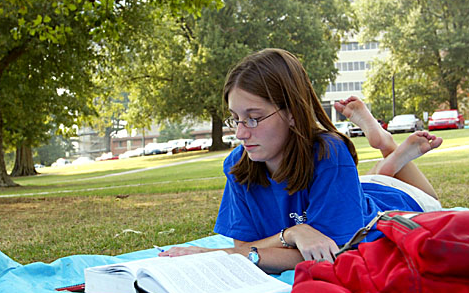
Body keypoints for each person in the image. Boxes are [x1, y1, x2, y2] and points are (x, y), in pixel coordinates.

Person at [160, 48, 442, 274]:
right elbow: (245, 246)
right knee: (367, 181)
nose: (241, 133)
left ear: (292, 113)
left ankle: (385, 143)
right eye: (236, 118)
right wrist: (292, 234)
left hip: (390, 204)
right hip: (354, 190)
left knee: (433, 202)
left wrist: (220, 255)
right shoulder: (239, 164)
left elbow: (335, 253)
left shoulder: (329, 154)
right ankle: (387, 155)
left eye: (254, 118)